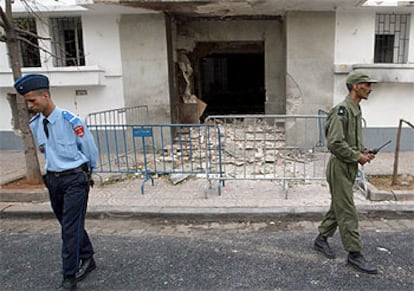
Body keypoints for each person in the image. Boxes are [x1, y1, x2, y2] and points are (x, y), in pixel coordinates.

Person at [14, 74, 98, 290]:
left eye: (32, 100)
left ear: (46, 95)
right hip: (53, 180)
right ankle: (88, 256)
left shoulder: (71, 121)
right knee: (68, 223)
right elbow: (47, 151)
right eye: (27, 102)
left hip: (75, 179)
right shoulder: (36, 123)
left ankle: (69, 277)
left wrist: (87, 174)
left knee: (69, 229)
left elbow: (89, 150)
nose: (29, 105)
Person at [313, 71, 378, 274]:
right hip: (340, 167)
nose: (370, 88)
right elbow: (334, 142)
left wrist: (362, 152)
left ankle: (321, 239)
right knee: (348, 211)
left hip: (348, 165)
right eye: (366, 84)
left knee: (338, 207)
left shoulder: (355, 110)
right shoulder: (342, 110)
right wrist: (356, 156)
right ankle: (354, 254)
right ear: (355, 86)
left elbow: (350, 142)